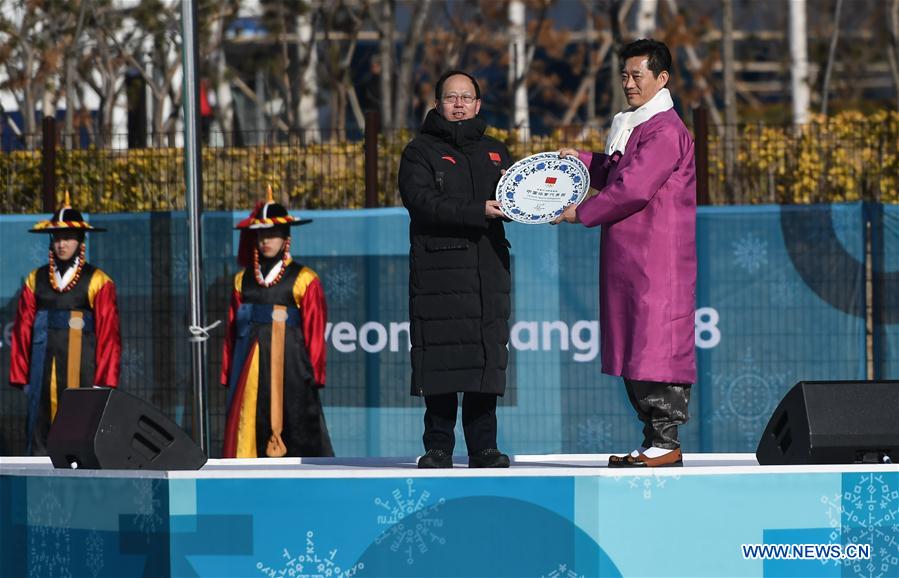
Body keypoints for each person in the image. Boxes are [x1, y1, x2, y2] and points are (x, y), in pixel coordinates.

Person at [554, 39, 696, 468]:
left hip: (656, 256)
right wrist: (578, 161)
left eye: (637, 75)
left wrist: (581, 212)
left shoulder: (665, 130)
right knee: (637, 343)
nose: (628, 82)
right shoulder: (637, 125)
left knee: (656, 343)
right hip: (630, 254)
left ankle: (665, 440)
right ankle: (654, 439)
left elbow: (632, 187)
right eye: (625, 74)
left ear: (662, 78)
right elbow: (618, 170)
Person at [398, 70, 513, 469]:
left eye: (467, 97)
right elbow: (422, 202)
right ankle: (438, 448)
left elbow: (514, 201)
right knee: (441, 364)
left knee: (484, 364)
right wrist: (476, 210)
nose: (459, 103)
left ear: (479, 105)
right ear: (437, 104)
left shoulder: (497, 152)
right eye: (451, 97)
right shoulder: (419, 151)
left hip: (488, 273)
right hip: (439, 275)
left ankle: (484, 447)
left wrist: (542, 203)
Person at [220, 187, 333, 458]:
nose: (266, 241)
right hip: (251, 364)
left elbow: (315, 329)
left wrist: (314, 374)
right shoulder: (242, 280)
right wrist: (228, 371)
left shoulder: (304, 278)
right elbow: (232, 330)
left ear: (286, 237)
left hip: (292, 365)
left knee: (296, 419)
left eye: (272, 234)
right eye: (261, 234)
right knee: (251, 420)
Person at [9, 193, 121, 456]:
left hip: (83, 367)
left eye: (68, 238)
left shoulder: (98, 281)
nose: (62, 244)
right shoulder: (35, 280)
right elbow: (22, 327)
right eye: (57, 237)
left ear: (80, 240)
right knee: (40, 426)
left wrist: (104, 380)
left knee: (81, 428)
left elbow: (109, 335)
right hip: (42, 365)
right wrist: (22, 374)